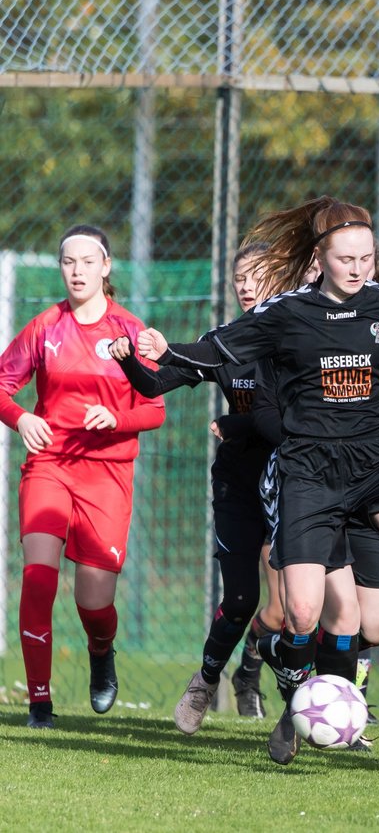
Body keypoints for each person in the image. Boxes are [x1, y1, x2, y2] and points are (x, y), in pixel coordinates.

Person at [132, 196, 379, 765]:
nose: (359, 269)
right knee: (302, 614)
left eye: (366, 258)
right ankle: (291, 688)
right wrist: (165, 350)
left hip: (376, 461)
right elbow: (216, 351)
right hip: (308, 470)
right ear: (320, 258)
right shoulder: (285, 313)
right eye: (347, 258)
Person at [108, 244, 286, 732]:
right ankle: (207, 682)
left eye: (257, 274)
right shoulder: (223, 343)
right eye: (239, 276)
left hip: (294, 481)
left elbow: (295, 417)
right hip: (238, 484)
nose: (246, 285)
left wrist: (238, 423)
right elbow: (154, 385)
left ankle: (303, 701)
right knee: (244, 598)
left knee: (298, 603)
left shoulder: (297, 340)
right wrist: (128, 361)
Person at [0, 225, 166, 728]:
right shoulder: (44, 327)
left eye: (87, 261)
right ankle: (40, 704)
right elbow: (3, 386)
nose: (77, 271)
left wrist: (117, 419)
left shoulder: (130, 332)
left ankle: (101, 651)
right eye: (68, 262)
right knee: (38, 578)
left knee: (93, 600)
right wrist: (22, 416)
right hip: (50, 465)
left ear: (107, 266)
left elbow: (155, 409)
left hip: (108, 473)